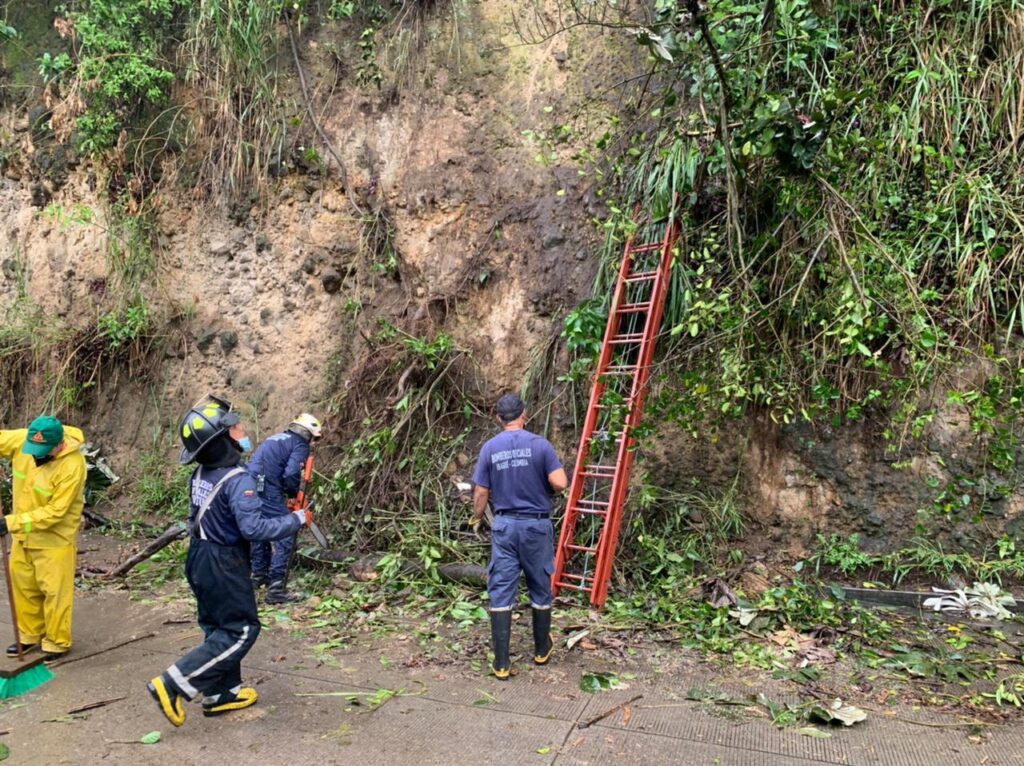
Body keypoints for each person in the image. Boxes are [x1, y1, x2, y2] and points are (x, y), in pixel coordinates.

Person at [148, 395, 313, 726]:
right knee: (241, 630)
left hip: (199, 555)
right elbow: (253, 528)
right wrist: (297, 521)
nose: (242, 429)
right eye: (235, 427)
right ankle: (173, 683)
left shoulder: (201, 474)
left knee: (217, 627)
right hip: (223, 561)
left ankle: (223, 693)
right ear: (221, 440)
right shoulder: (238, 481)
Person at [470, 393, 568, 679]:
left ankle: (501, 663)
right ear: (524, 414)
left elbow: (481, 492)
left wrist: (477, 517)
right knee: (540, 584)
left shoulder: (490, 448)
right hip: (536, 527)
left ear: (499, 418)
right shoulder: (540, 445)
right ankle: (541, 650)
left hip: (505, 526)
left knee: (501, 588)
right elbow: (560, 482)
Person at [0, 415, 87, 664]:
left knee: (54, 593)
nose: (36, 455)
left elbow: (55, 513)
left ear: (59, 445)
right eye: (33, 450)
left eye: (42, 451)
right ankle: (29, 635)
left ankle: (57, 642)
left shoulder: (72, 466)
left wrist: (9, 522)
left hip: (54, 539)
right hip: (23, 538)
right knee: (24, 586)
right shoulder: (22, 441)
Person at [248, 413, 322, 604]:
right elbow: (290, 473)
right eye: (315, 439)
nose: (314, 444)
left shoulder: (277, 438)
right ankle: (276, 589)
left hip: (251, 484)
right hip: (269, 487)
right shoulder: (300, 445)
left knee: (260, 528)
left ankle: (259, 574)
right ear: (307, 434)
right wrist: (292, 494)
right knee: (286, 533)